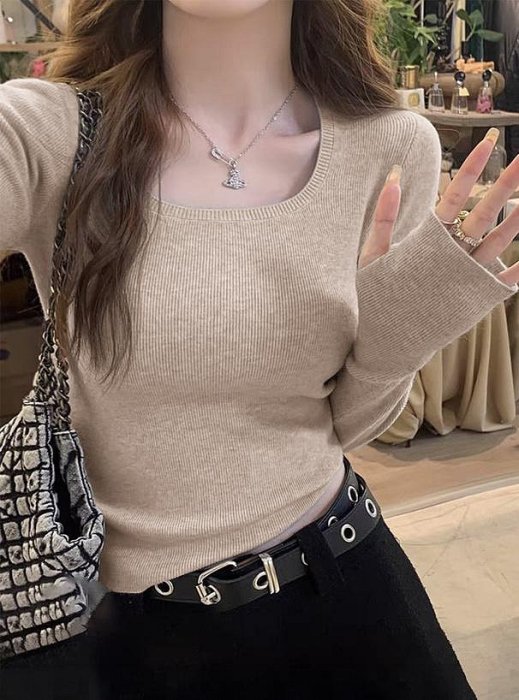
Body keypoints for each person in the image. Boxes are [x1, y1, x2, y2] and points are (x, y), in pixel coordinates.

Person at [0, 0, 518, 698]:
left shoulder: (391, 146)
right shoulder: (46, 131)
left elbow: (348, 426)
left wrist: (396, 330)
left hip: (347, 592)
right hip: (124, 638)